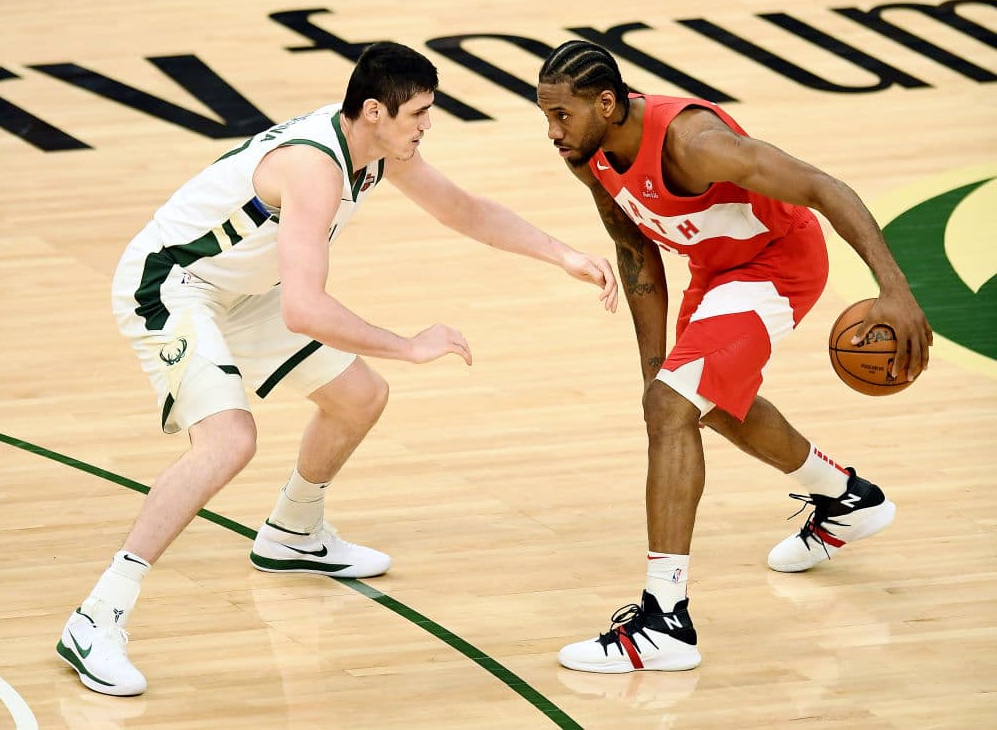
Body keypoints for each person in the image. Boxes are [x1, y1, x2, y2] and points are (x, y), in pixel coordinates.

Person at [56, 41, 618, 696]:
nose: (426, 126)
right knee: (229, 441)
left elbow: (461, 209)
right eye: (419, 114)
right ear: (374, 110)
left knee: (358, 396)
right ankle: (98, 617)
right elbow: (305, 309)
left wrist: (562, 255)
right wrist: (409, 344)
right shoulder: (314, 168)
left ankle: (293, 531)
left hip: (244, 289)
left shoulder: (376, 149)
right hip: (174, 284)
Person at [535, 40, 932, 673]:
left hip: (778, 265)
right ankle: (846, 498)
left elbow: (823, 187)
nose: (552, 132)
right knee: (692, 403)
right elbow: (637, 254)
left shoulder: (695, 143)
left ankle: (664, 621)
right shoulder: (590, 153)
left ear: (606, 104)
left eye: (562, 116)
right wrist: (652, 371)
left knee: (676, 403)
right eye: (546, 116)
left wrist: (896, 289)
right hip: (717, 269)